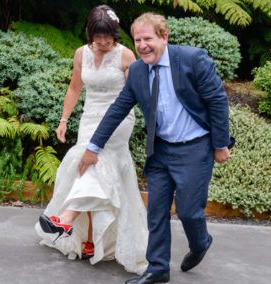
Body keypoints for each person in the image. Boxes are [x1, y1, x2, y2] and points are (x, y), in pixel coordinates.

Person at [79, 12, 233, 284]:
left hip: (194, 148)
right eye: (137, 40)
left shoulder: (191, 59)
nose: (142, 45)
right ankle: (158, 268)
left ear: (164, 36)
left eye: (148, 38)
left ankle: (201, 242)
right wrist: (93, 146)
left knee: (188, 211)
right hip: (161, 151)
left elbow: (217, 101)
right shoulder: (137, 71)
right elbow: (117, 110)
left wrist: (220, 143)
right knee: (156, 210)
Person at [35, 5, 148, 275]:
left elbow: (137, 94)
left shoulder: (126, 55)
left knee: (94, 160)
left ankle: (65, 218)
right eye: (98, 37)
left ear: (115, 33)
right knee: (86, 167)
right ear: (90, 34)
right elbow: (75, 87)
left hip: (119, 120)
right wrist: (63, 120)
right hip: (89, 118)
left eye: (108, 36)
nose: (103, 42)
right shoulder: (80, 54)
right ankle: (88, 241)